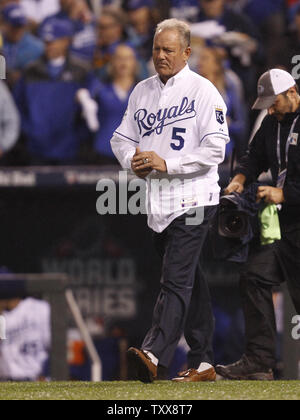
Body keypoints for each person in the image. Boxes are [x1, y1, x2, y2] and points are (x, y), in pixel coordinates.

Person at [111, 18, 230, 383]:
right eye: (156, 49)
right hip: (158, 202)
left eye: (169, 50)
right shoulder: (142, 91)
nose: (160, 55)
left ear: (187, 53)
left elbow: (216, 149)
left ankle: (153, 352)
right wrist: (131, 160)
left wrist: (168, 163)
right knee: (190, 280)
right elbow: (120, 138)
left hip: (195, 197)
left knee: (175, 278)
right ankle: (204, 361)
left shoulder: (204, 91)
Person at [215, 68, 300, 380]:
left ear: (292, 92)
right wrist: (240, 177)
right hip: (282, 225)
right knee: (254, 275)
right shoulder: (272, 122)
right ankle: (259, 360)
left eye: (273, 101)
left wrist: (285, 194)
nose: (270, 108)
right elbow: (254, 156)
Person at [14, 17, 90, 164]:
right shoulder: (30, 71)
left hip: (70, 150)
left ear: (66, 41)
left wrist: (76, 136)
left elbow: (92, 109)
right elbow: (18, 107)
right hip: (36, 149)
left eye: (52, 42)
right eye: (46, 42)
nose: (48, 46)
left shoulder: (81, 72)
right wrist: (31, 132)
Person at [86, 43, 139, 164]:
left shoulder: (146, 91)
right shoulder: (98, 89)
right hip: (104, 153)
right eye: (119, 58)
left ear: (135, 62)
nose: (123, 62)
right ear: (112, 61)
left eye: (128, 58)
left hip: (135, 154)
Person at [0, 296, 51, 381]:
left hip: (37, 378)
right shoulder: (2, 317)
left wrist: (45, 373)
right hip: (6, 381)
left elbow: (57, 347)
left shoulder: (39, 308)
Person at [1, 3, 44, 87]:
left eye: (20, 26)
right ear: (3, 24)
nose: (18, 31)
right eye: (13, 26)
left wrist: (23, 75)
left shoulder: (37, 47)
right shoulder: (1, 42)